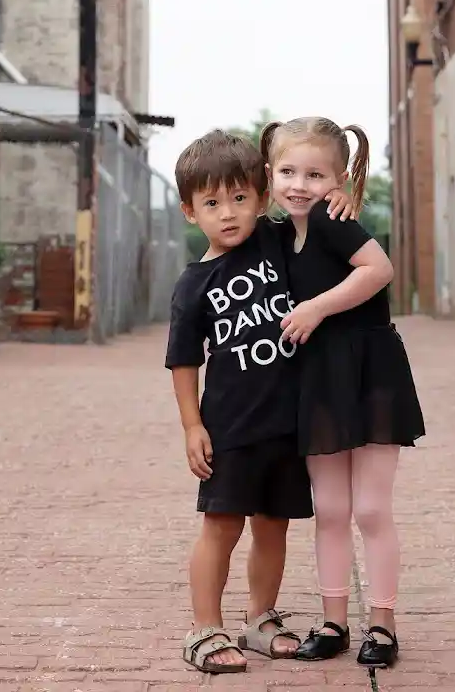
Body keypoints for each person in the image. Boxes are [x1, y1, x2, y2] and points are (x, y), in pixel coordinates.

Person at [164, 129, 354, 675]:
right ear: (189, 211)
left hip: (287, 424)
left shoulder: (275, 240)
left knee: (273, 526)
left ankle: (260, 619)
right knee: (222, 527)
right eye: (212, 204)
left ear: (262, 196)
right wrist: (192, 426)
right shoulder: (193, 285)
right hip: (230, 427)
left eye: (240, 198)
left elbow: (312, 203)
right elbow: (183, 361)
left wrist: (341, 197)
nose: (228, 213)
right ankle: (204, 628)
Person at [261, 116, 425, 671]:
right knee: (330, 508)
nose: (299, 184)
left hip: (369, 373)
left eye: (315, 174)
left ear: (340, 180)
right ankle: (334, 622)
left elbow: (378, 269)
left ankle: (382, 623)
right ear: (269, 174)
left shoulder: (332, 221)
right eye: (288, 172)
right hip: (318, 378)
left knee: (372, 508)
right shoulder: (281, 235)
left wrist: (315, 308)